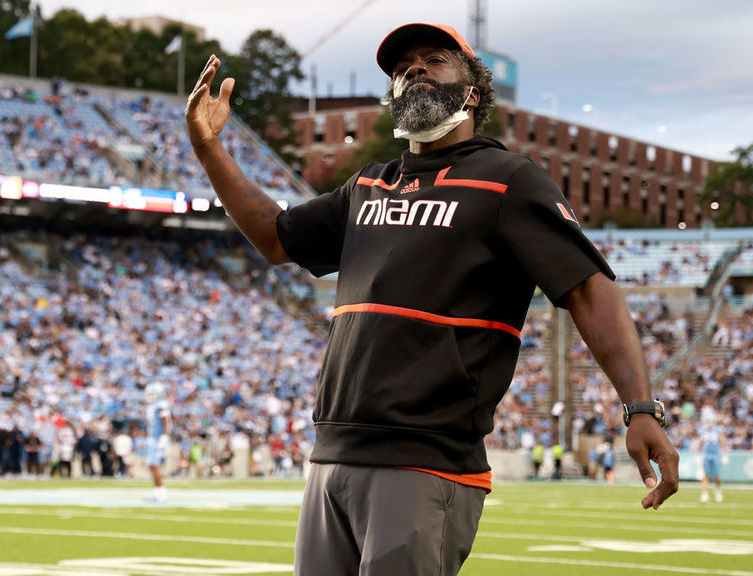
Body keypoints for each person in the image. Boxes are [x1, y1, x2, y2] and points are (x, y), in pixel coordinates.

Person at [186, 22, 679, 575]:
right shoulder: (367, 185)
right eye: (402, 69)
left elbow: (590, 288)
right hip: (330, 458)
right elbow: (275, 237)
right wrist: (210, 152)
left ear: (473, 91)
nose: (413, 70)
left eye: (434, 60)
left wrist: (639, 408)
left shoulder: (509, 180)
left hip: (425, 463)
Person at [144, 382, 172, 502]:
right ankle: (158, 491)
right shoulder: (153, 405)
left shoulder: (160, 404)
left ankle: (161, 492)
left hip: (157, 439)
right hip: (153, 438)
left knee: (154, 465)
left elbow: (166, 421)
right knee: (152, 465)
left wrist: (164, 437)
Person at [698, 412, 727, 502]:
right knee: (705, 476)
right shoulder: (703, 430)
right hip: (706, 455)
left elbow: (723, 442)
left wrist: (724, 455)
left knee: (717, 477)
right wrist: (697, 454)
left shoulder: (718, 429)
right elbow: (700, 442)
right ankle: (704, 493)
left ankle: (718, 490)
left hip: (715, 455)